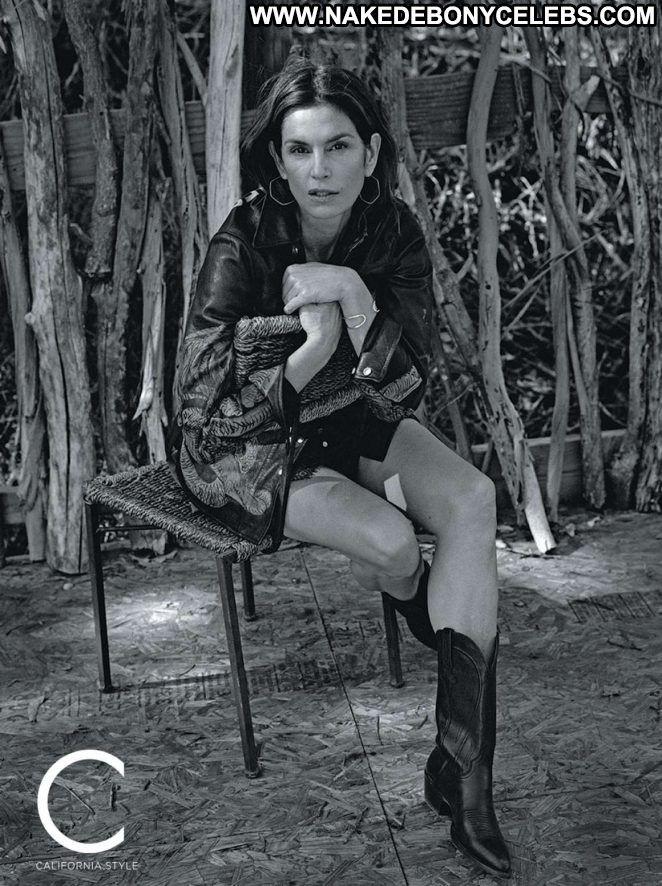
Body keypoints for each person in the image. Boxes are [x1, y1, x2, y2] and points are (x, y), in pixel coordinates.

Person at [174, 58, 511, 880]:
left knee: (472, 497)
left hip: (353, 420)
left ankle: (465, 777)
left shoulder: (390, 231)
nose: (319, 170)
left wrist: (354, 294)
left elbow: (408, 382)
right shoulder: (240, 245)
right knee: (395, 545)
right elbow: (205, 416)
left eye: (338, 147)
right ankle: (434, 608)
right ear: (278, 159)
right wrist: (314, 348)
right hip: (255, 454)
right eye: (300, 150)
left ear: (372, 151)